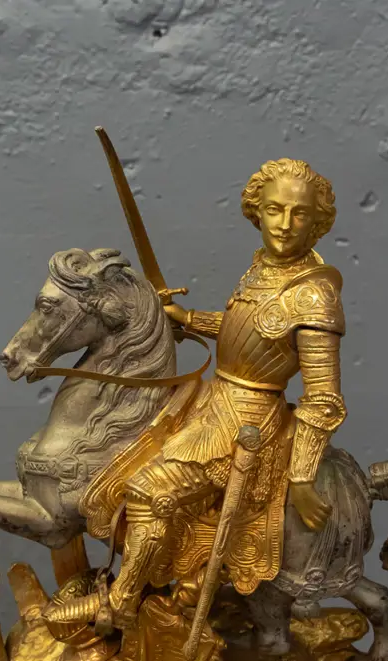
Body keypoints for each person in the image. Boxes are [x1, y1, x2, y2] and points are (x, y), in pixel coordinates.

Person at [52, 158, 348, 632]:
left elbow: (323, 399)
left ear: (318, 223)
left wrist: (302, 476)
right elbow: (248, 329)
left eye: (300, 214)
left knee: (151, 491)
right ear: (256, 211)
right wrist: (190, 320)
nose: (285, 224)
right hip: (212, 396)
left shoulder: (314, 296)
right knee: (124, 454)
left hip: (249, 416)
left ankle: (121, 602)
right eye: (275, 209)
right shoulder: (265, 267)